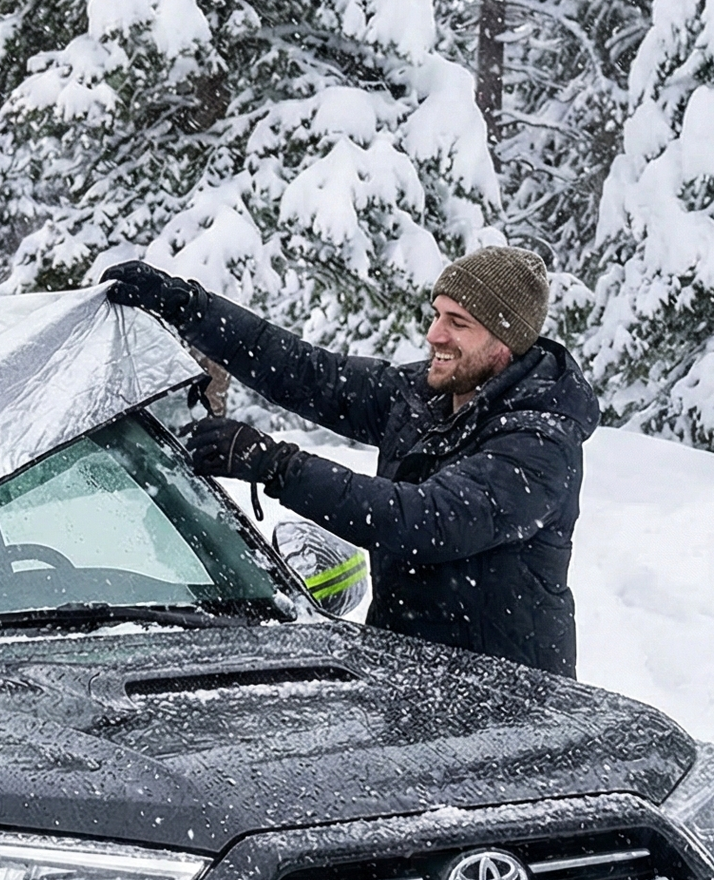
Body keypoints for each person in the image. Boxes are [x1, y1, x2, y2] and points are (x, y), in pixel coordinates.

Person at [105, 246, 599, 677]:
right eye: (437, 314)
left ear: (504, 341)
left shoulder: (540, 440)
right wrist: (188, 306)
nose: (434, 334)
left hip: (509, 698)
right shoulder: (425, 396)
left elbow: (427, 520)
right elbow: (307, 372)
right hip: (406, 671)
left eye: (458, 323)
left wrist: (277, 465)